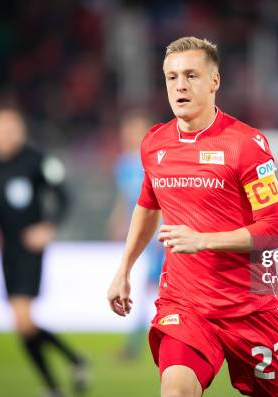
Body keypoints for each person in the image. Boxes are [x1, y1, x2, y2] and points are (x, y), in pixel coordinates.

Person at [107, 37, 278, 397]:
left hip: (251, 307)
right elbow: (147, 207)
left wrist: (204, 240)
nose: (180, 85)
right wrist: (124, 270)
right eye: (171, 77)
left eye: (191, 75)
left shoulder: (246, 144)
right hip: (186, 307)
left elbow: (275, 230)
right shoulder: (154, 144)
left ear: (214, 81)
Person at [0, 105, 89, 397]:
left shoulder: (37, 161)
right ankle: (74, 361)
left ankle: (53, 386)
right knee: (22, 324)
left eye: (10, 129)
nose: (5, 135)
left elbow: (64, 196)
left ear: (21, 131)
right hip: (6, 252)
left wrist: (48, 227)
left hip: (30, 251)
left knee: (22, 320)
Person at [108, 110, 165, 360]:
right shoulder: (123, 165)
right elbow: (125, 199)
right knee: (150, 290)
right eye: (128, 131)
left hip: (158, 238)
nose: (130, 135)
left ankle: (136, 345)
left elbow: (163, 199)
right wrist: (118, 219)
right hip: (143, 237)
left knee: (152, 289)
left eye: (135, 130)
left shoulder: (155, 161)